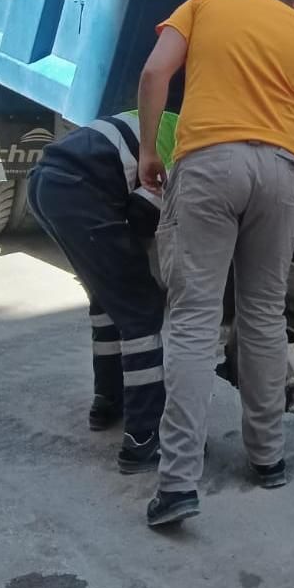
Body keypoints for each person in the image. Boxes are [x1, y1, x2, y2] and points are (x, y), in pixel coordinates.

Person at [137, 0, 294, 529]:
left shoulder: (205, 2)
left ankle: (179, 483)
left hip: (208, 162)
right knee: (263, 315)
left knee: (193, 319)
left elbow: (154, 73)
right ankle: (267, 457)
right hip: (280, 173)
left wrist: (147, 152)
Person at [27, 109, 178, 473]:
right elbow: (143, 214)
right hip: (80, 189)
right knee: (141, 310)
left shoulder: (169, 121)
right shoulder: (189, 146)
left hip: (46, 182)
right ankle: (143, 439)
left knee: (107, 296)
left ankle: (108, 400)